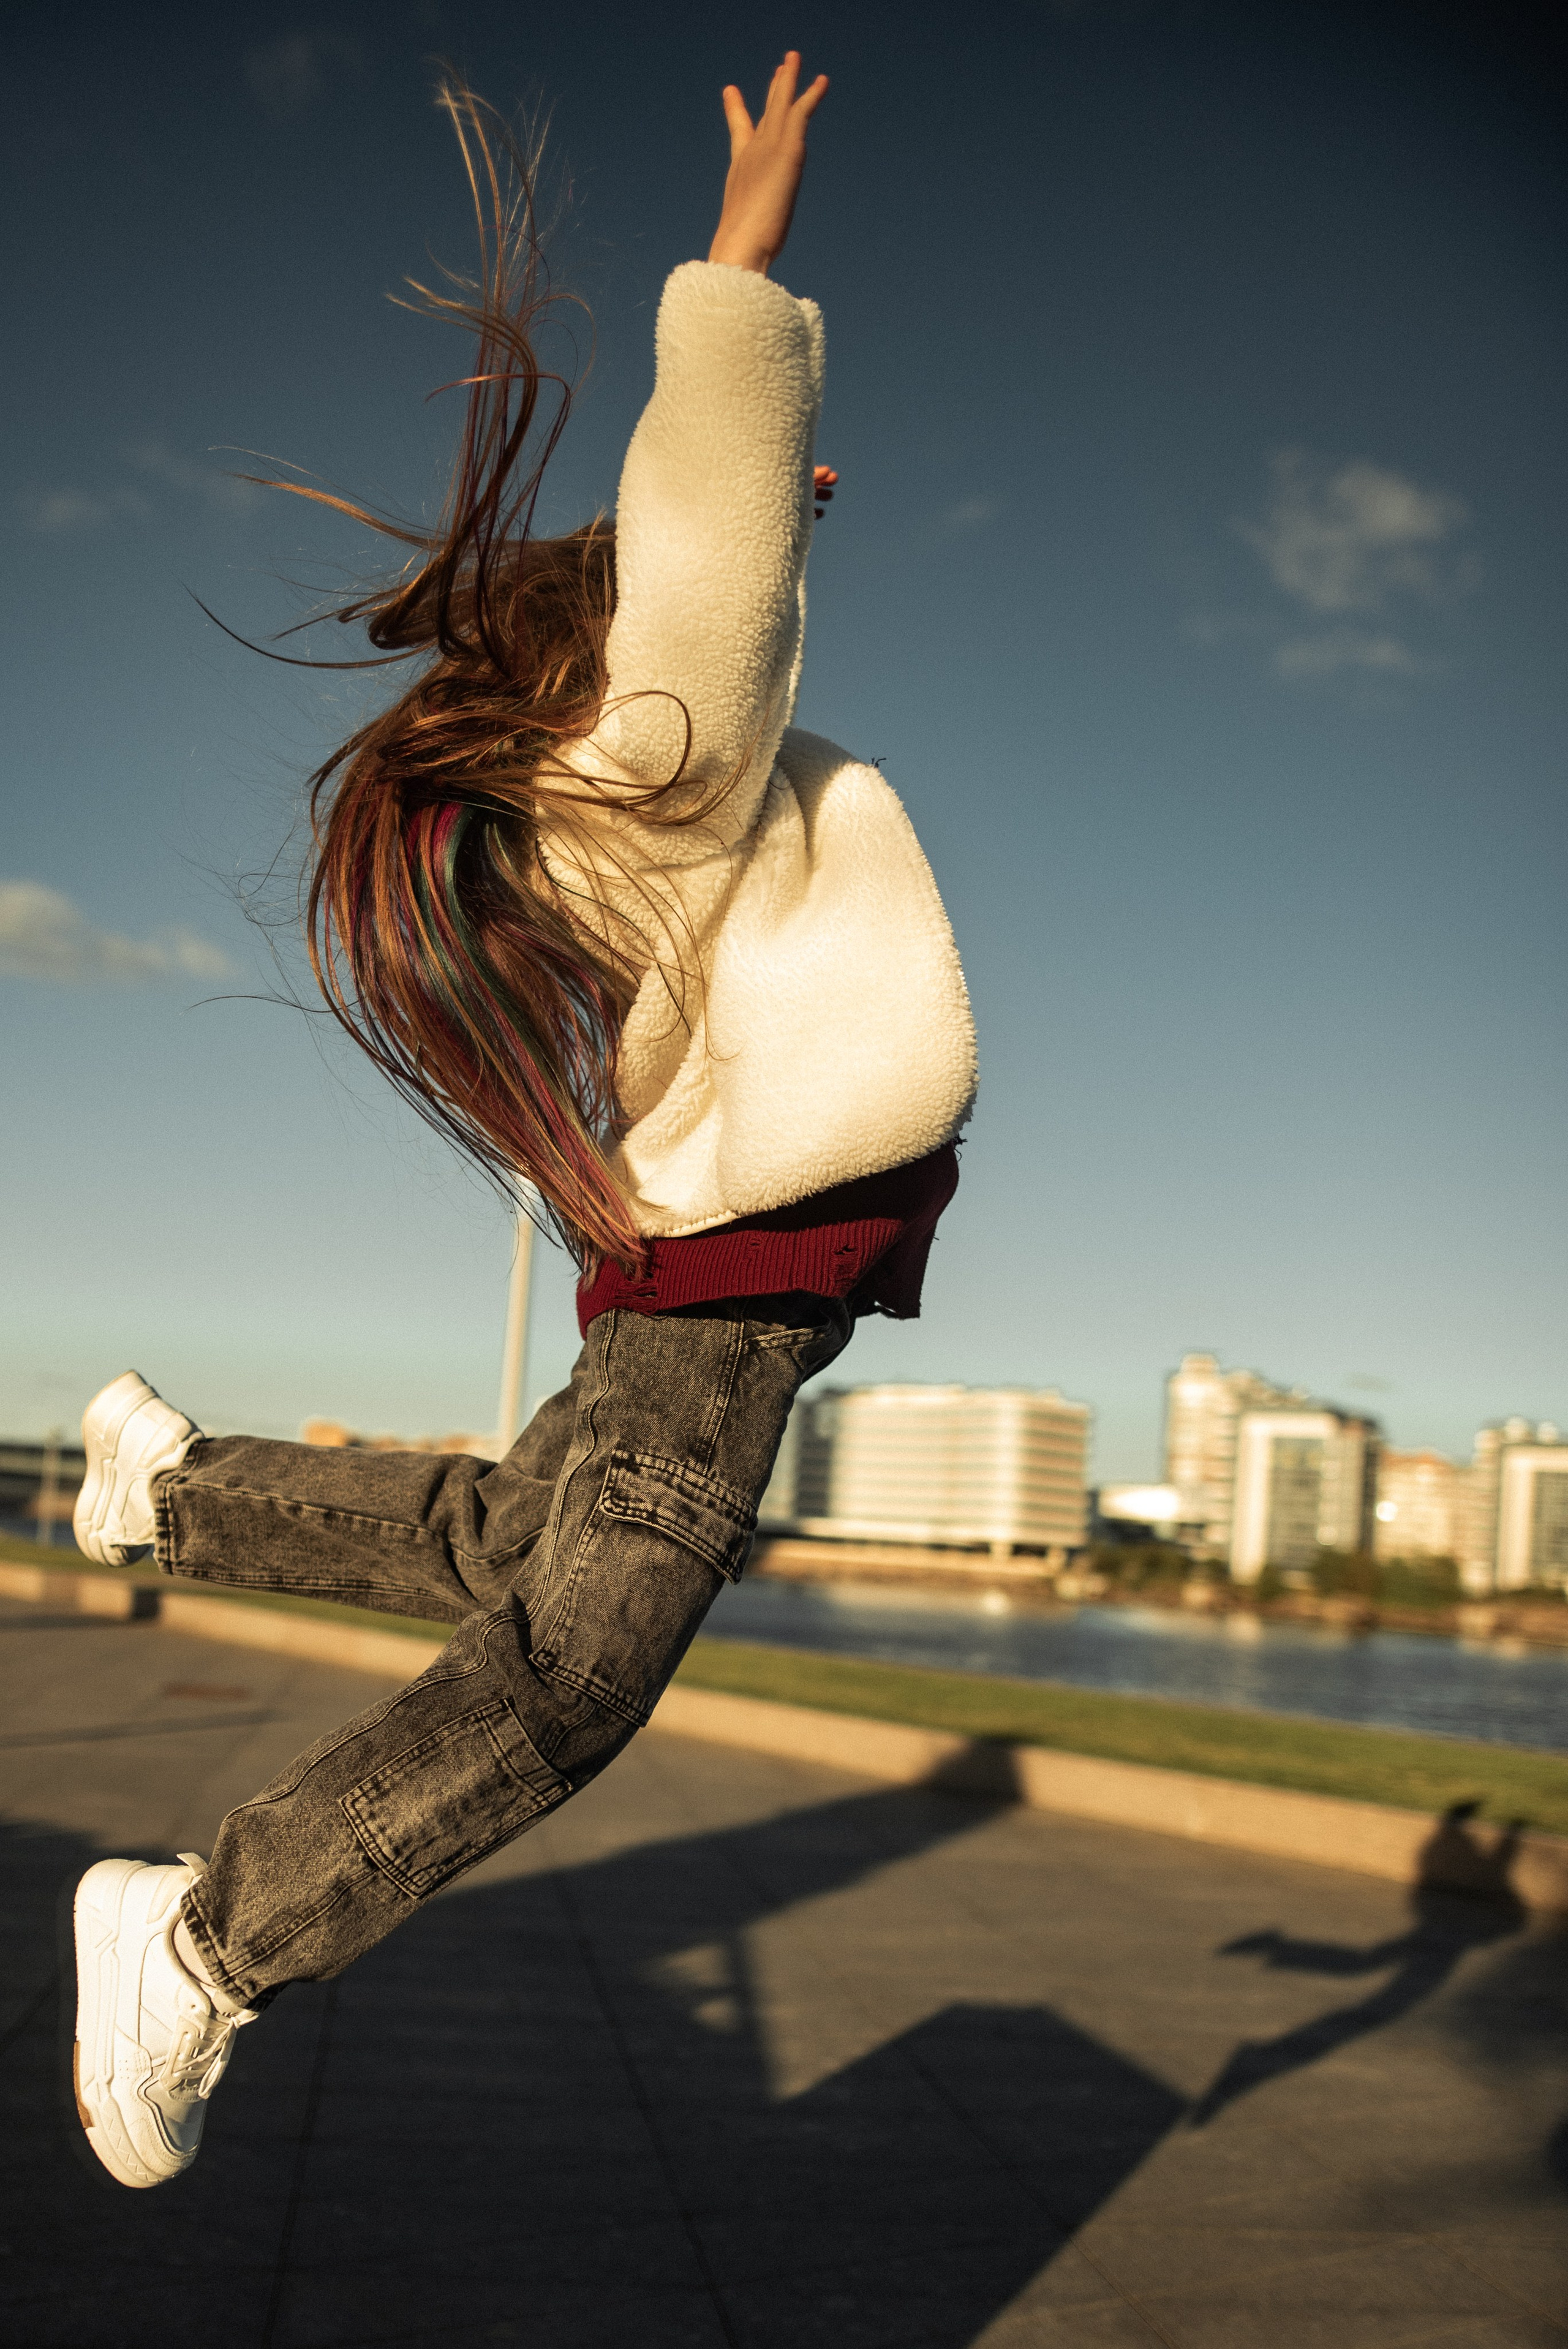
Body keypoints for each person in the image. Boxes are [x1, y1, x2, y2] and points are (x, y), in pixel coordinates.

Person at [69, 53, 976, 2191]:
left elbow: (706, 562)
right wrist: (741, 277)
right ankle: (205, 1938)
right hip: (725, 1307)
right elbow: (709, 565)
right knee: (566, 1678)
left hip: (702, 1291)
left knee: (498, 1548)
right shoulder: (657, 751)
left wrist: (757, 482)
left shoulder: (623, 784)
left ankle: (168, 1486)